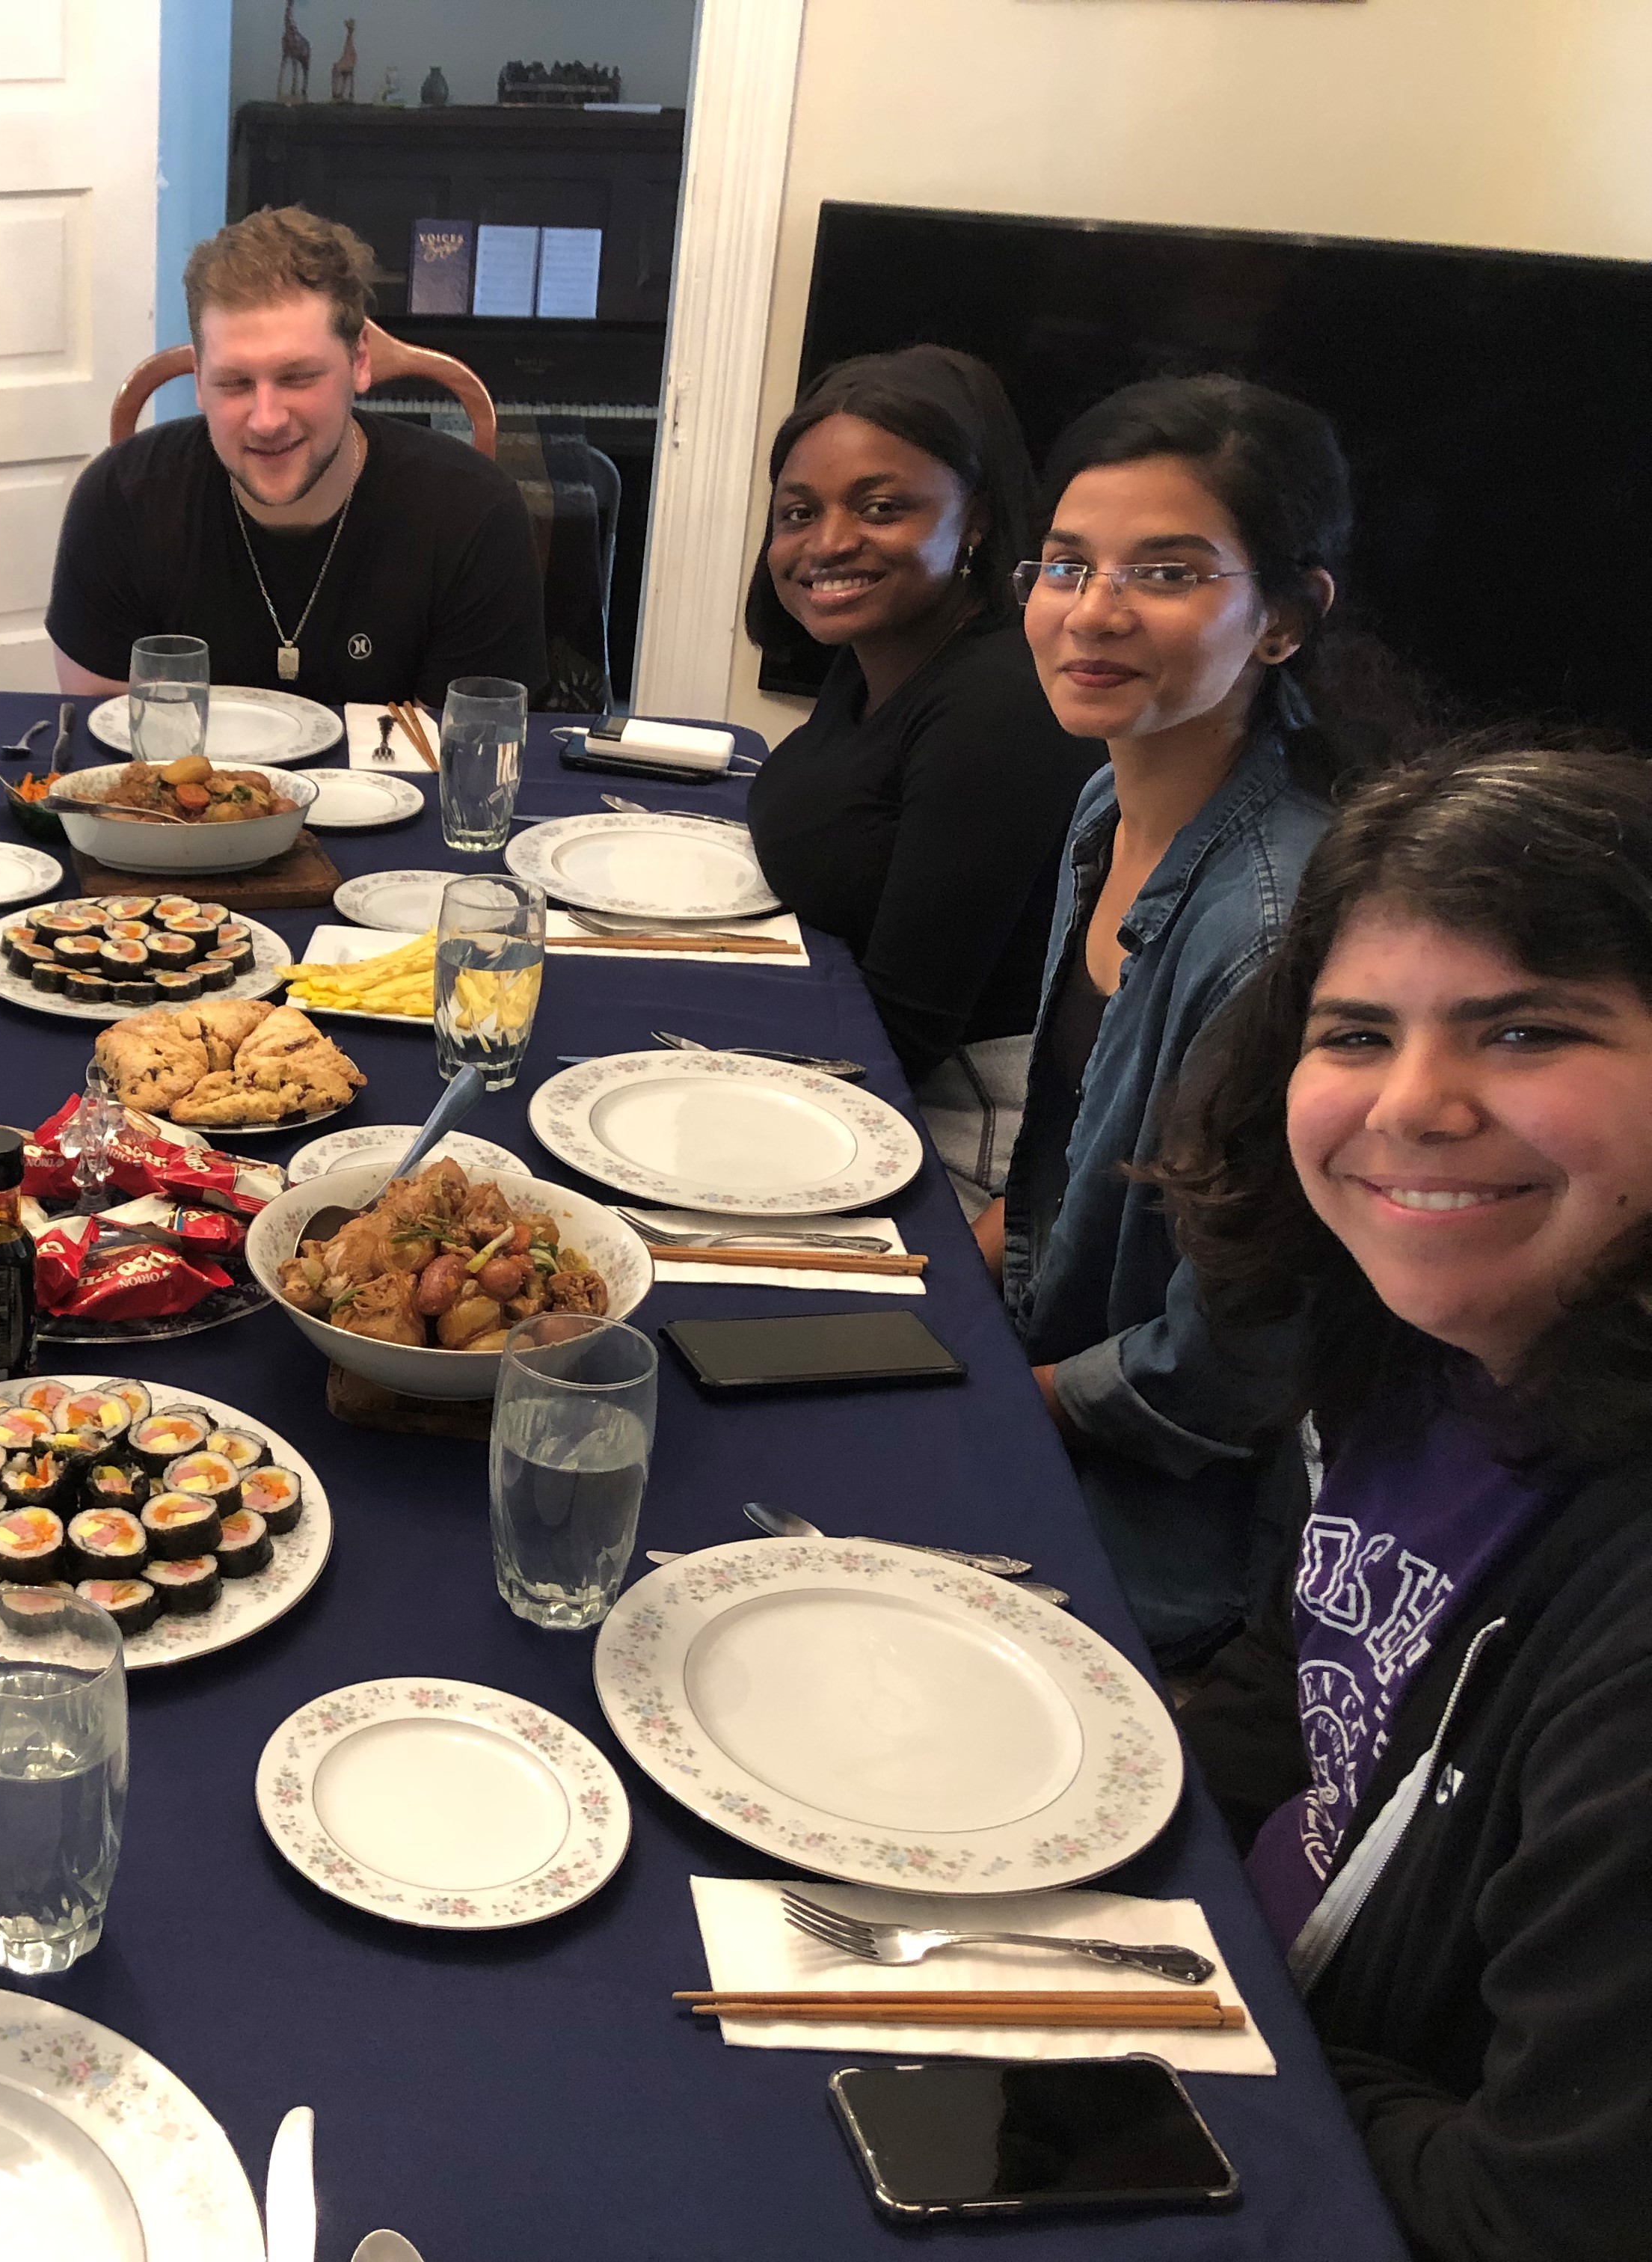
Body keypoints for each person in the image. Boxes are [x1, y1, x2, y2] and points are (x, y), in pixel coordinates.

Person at [1153, 742, 1652, 2262]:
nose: (1415, 1105)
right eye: (1358, 1032)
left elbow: (1534, 2218)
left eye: (1523, 1032)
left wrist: (1199, 2024)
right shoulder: (1428, 1343)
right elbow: (1309, 1672)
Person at [980, 373, 1413, 1668]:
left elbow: (1227, 1366)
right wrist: (939, 1287)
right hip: (1049, 1376)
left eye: (1164, 572)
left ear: (1284, 615)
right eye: (1064, 565)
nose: (1091, 611)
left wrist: (992, 1396)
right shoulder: (1101, 811)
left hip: (1153, 1520)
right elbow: (1061, 1170)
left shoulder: (1274, 927)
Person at [740, 346, 1104, 1214]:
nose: (827, 543)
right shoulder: (877, 656)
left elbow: (905, 1033)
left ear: (973, 519)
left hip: (959, 1144)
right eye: (799, 512)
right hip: (859, 1079)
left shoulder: (998, 705)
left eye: (880, 507)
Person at [45, 206, 544, 709]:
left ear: (360, 360)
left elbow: (468, 756)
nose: (266, 420)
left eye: (299, 378)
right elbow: (99, 742)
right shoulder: (118, 500)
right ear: (198, 381)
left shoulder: (472, 511)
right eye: (235, 383)